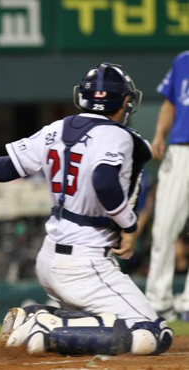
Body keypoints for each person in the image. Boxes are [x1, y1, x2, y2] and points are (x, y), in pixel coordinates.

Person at [0, 63, 173, 356]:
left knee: (108, 325)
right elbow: (104, 181)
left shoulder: (57, 129)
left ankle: (34, 316)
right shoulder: (118, 136)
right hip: (86, 262)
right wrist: (129, 225)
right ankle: (46, 330)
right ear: (124, 101)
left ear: (81, 97)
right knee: (153, 333)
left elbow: (6, 167)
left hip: (50, 258)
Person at [145, 52, 189, 322]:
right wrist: (160, 134)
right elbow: (170, 103)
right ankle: (159, 301)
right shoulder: (183, 61)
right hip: (180, 150)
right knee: (164, 226)